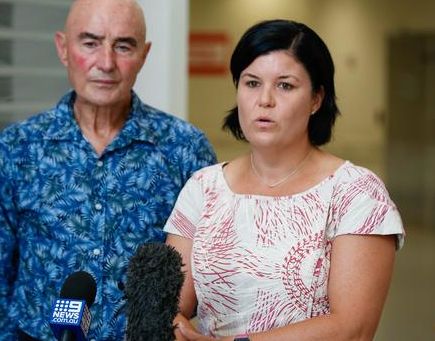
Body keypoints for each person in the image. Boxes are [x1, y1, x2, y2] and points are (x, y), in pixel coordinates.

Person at [0, 0, 216, 341]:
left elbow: (207, 267)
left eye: (123, 46)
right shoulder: (18, 148)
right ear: (63, 49)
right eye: (90, 43)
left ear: (144, 54)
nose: (106, 63)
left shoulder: (184, 148)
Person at [165, 20, 404, 341]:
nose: (264, 100)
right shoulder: (203, 187)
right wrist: (175, 325)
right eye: (251, 83)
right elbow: (170, 304)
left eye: (285, 85)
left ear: (317, 99)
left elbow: (353, 329)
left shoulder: (355, 193)